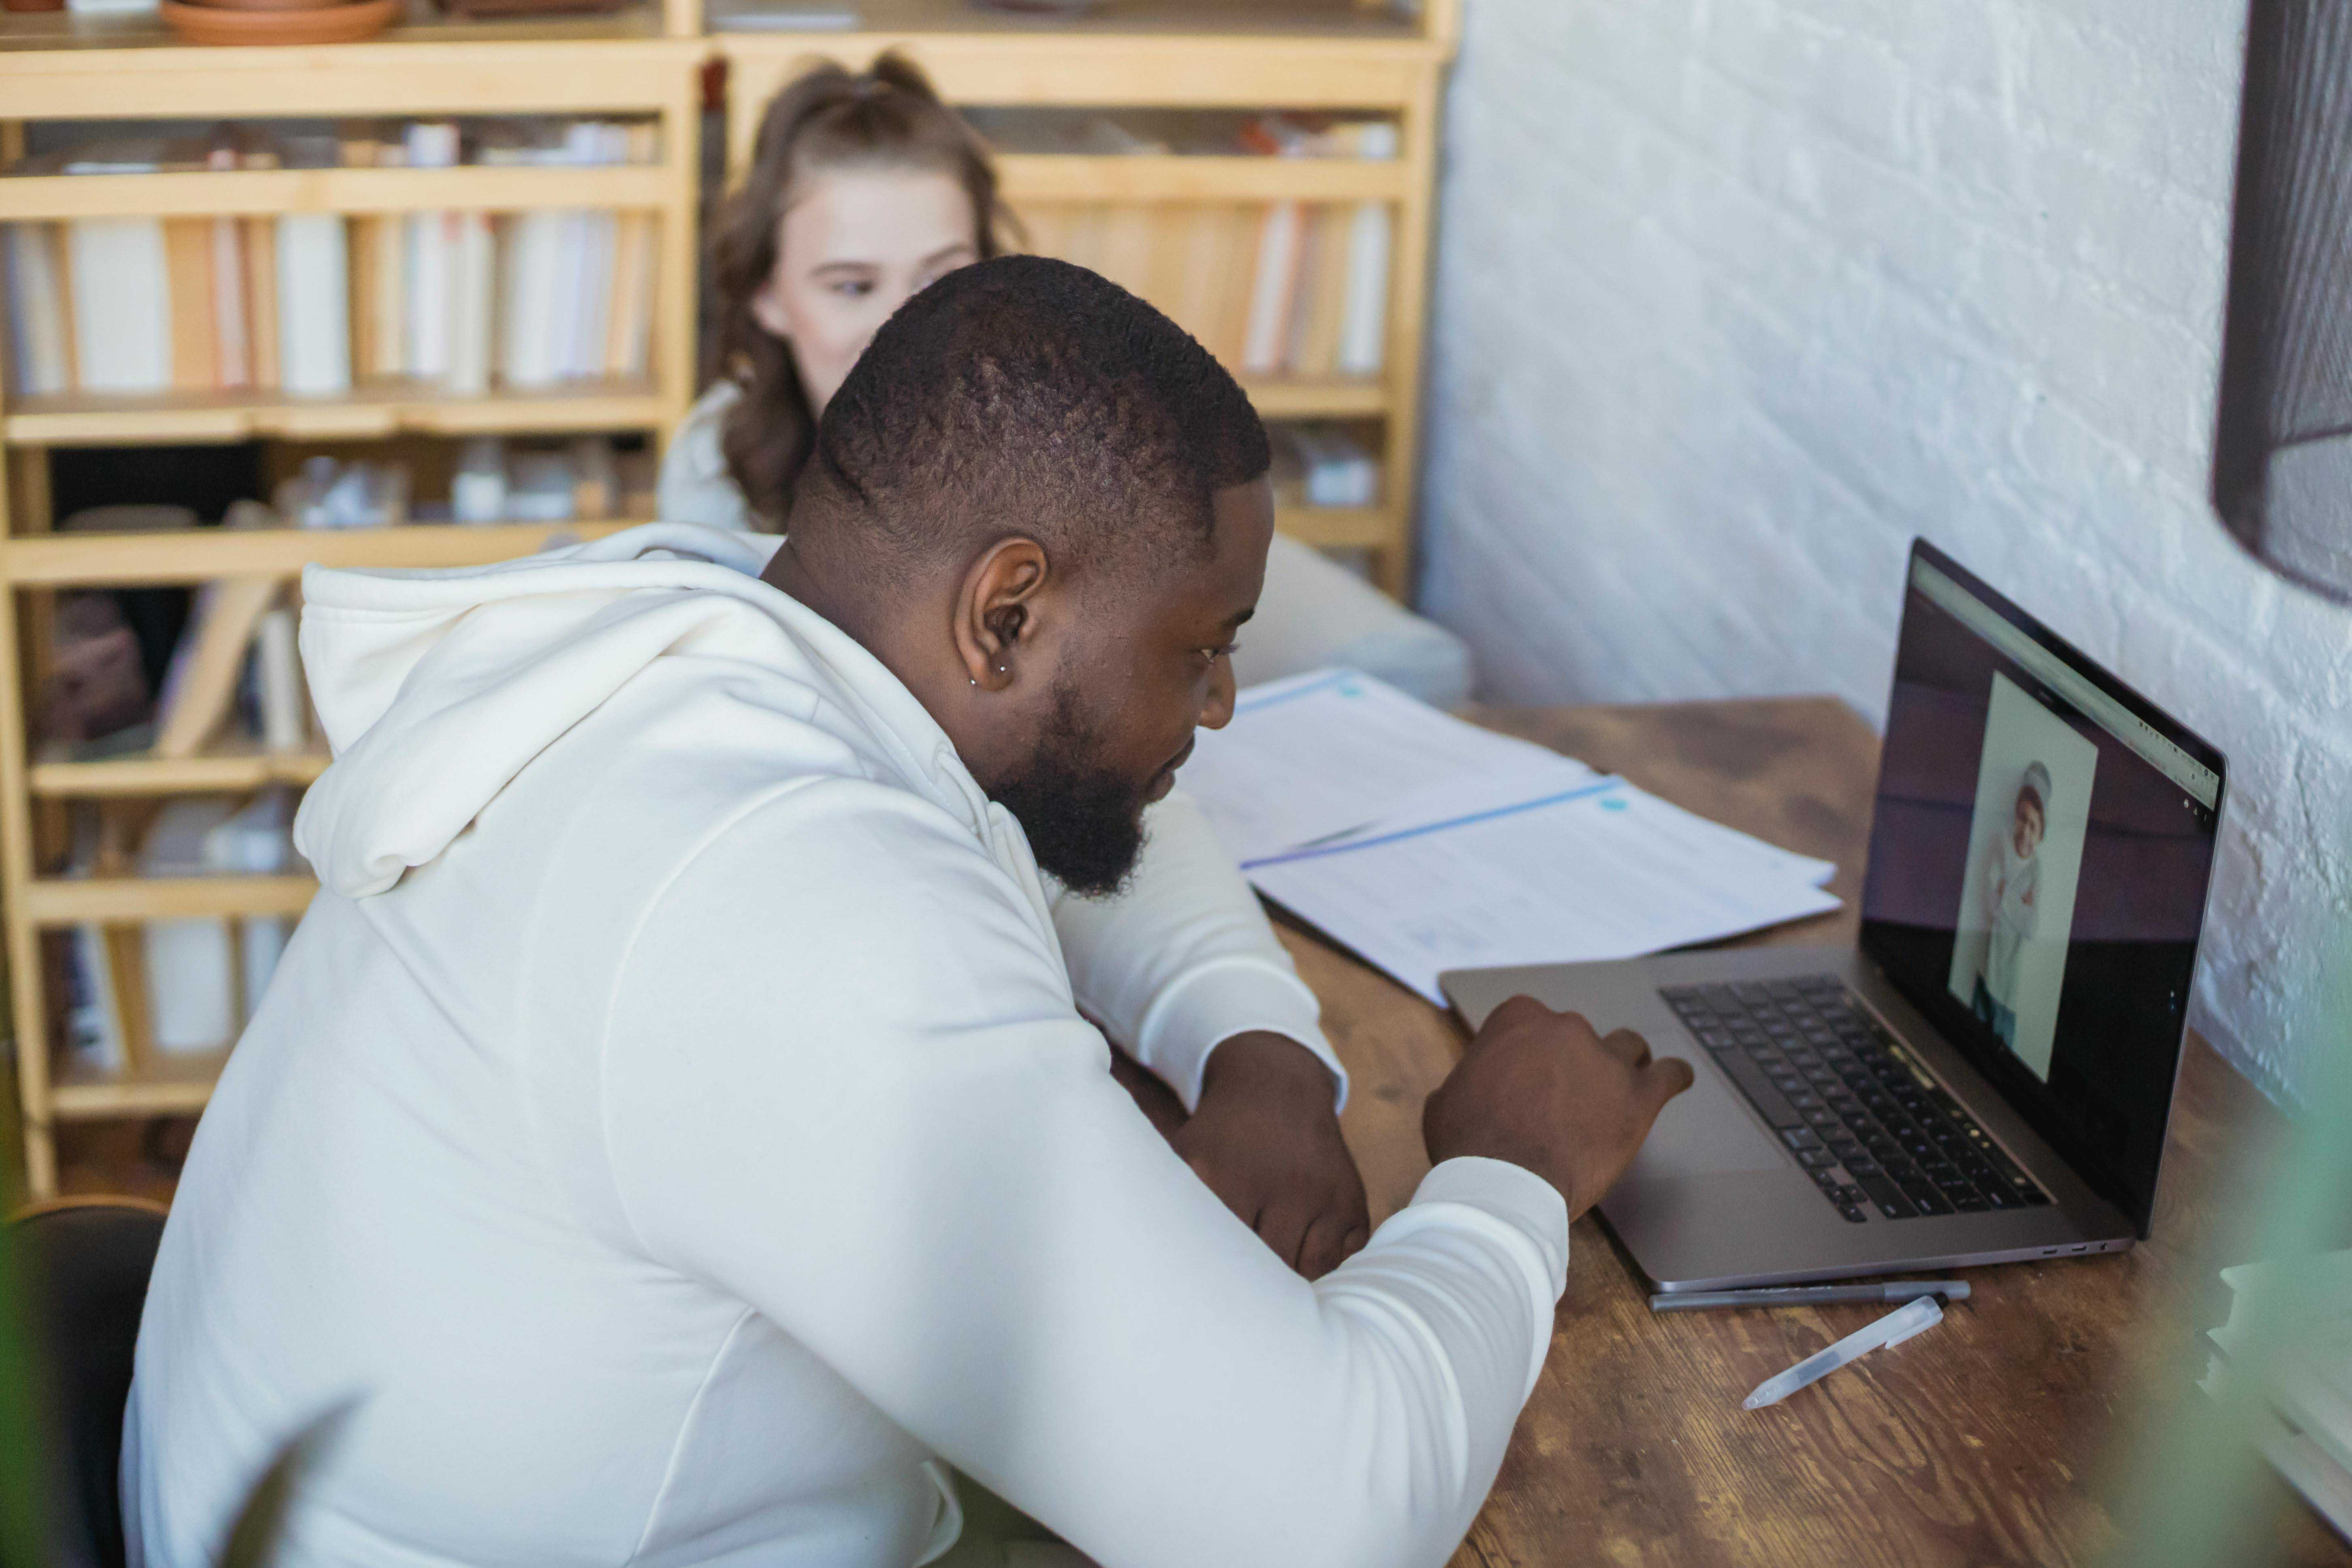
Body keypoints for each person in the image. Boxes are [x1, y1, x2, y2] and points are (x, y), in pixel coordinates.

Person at [125, 258, 1690, 1568]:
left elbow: (1112, 800)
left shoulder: (729, 626)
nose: (1217, 705)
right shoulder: (789, 905)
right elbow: (1324, 1515)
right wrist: (1508, 1173)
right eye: (1200, 647)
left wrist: (1257, 1044)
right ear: (1005, 608)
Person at [662, 52, 1473, 705]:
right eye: (850, 286)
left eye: (940, 275)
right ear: (768, 296)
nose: (901, 325)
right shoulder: (715, 465)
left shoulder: (1061, 410)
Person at [1970, 760, 2049, 1047]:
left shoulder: (2036, 870)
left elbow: (2030, 927)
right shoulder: (2001, 845)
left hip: (2009, 993)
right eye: (2022, 819)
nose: (2026, 832)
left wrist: (2005, 894)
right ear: (2015, 815)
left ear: (2041, 832)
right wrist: (2017, 904)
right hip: (1985, 973)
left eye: (2033, 826)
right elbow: (1990, 904)